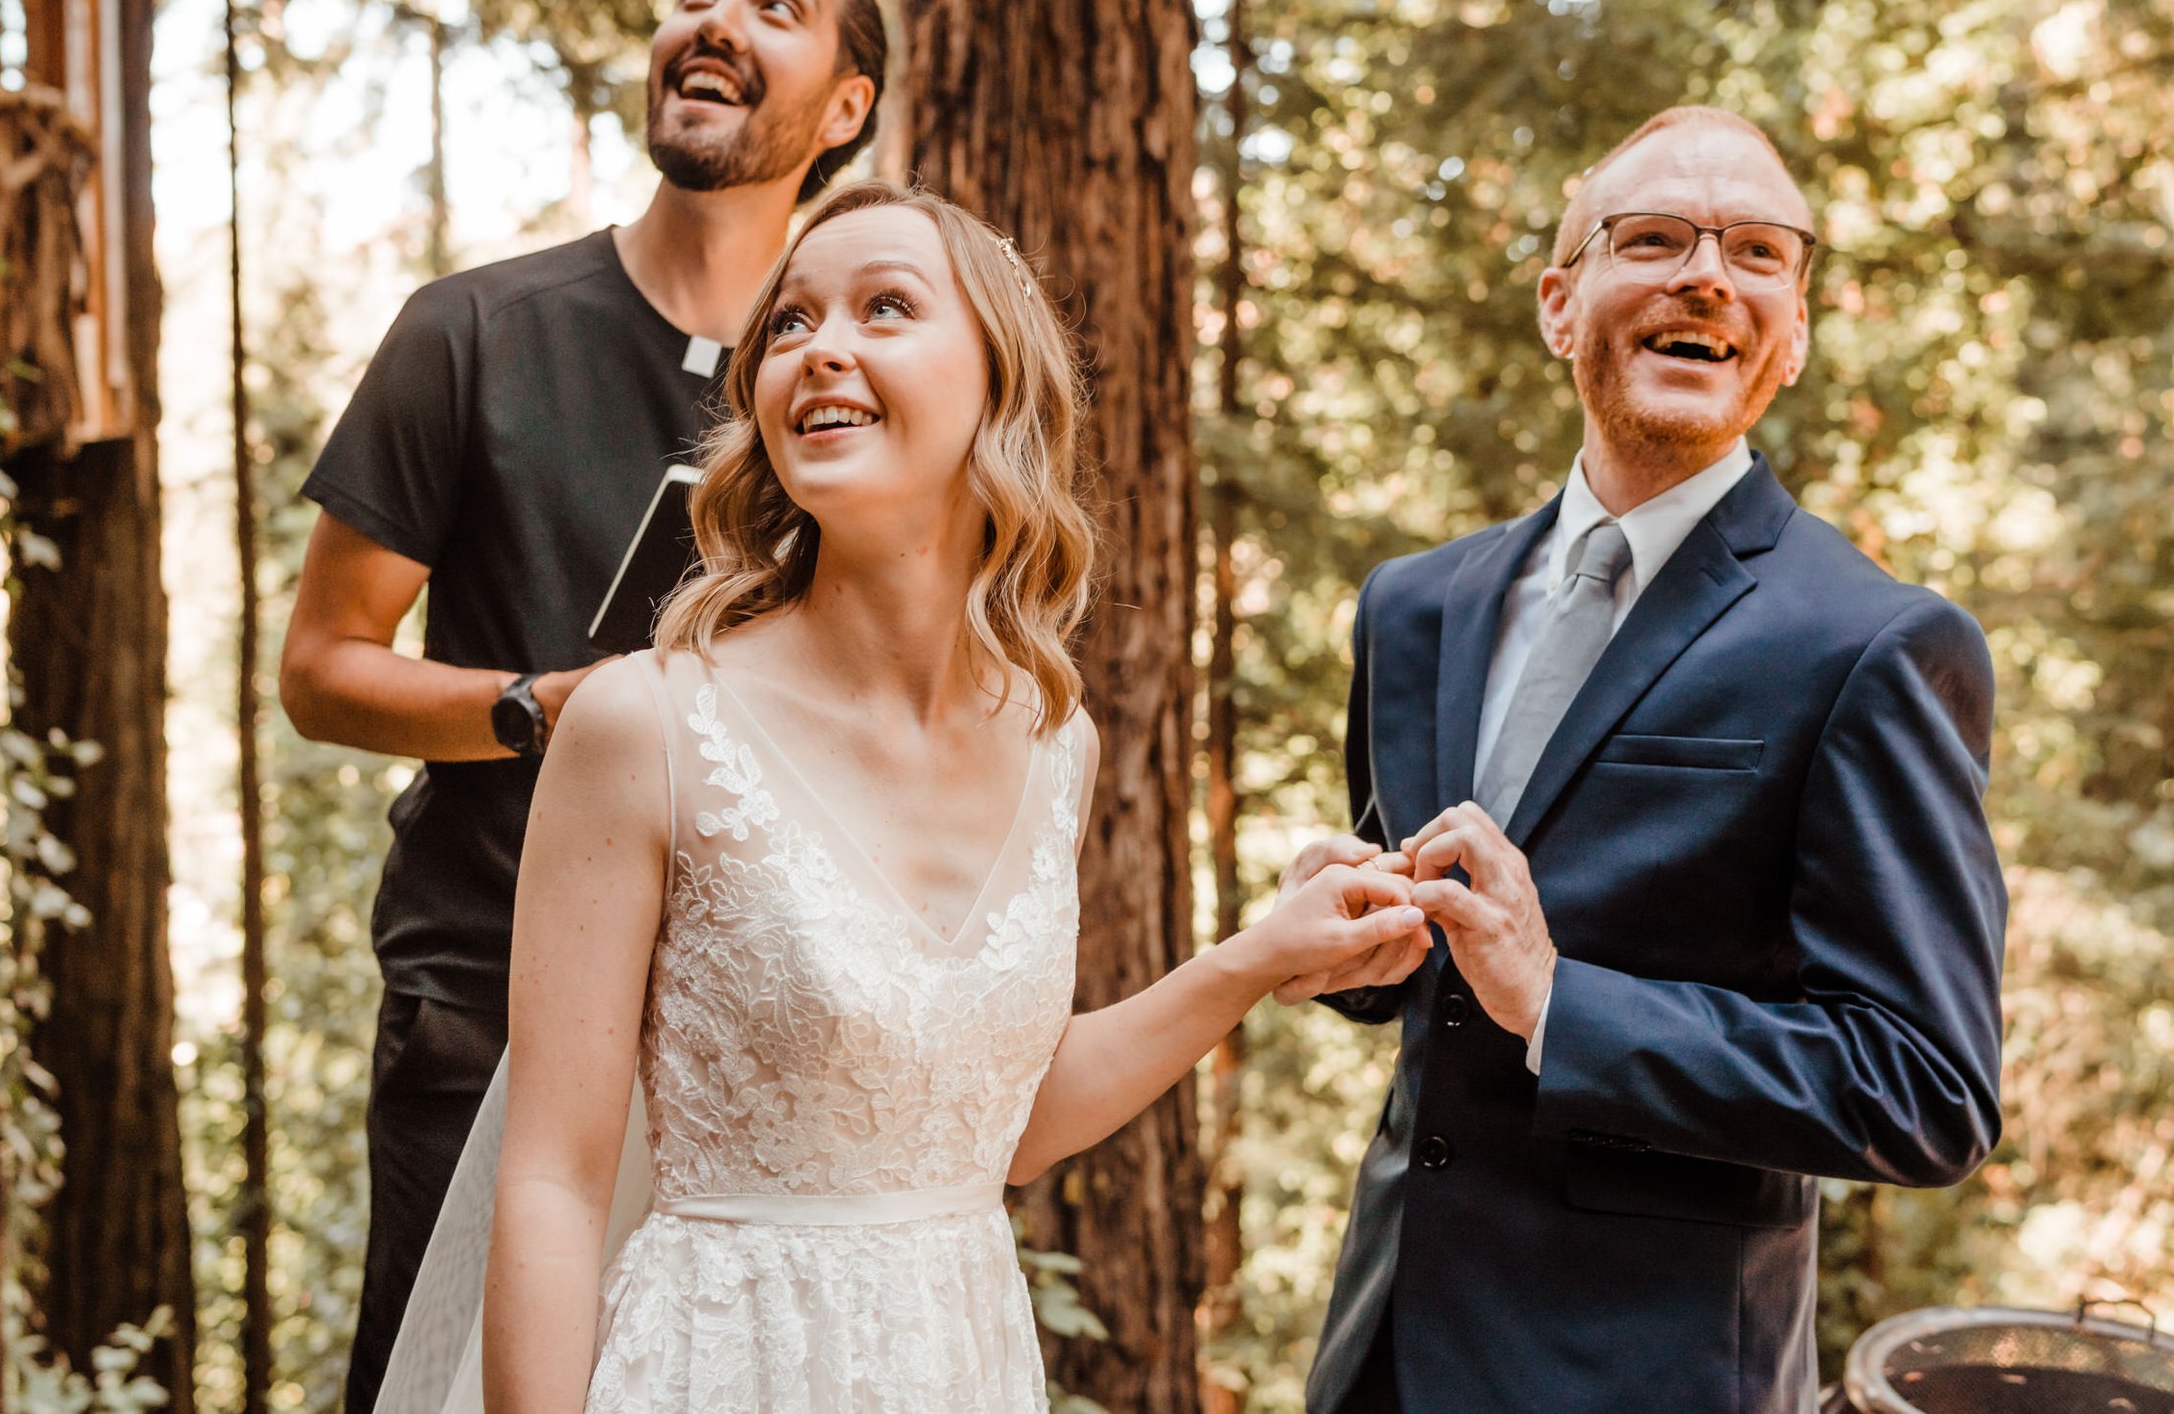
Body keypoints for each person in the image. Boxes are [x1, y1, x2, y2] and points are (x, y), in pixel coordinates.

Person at [366, 181, 1435, 1414]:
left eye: (885, 307)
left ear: (998, 380)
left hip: (962, 1362)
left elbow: (999, 1125)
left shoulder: (1054, 739)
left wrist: (1251, 959)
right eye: (789, 324)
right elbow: (552, 1179)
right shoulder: (644, 723)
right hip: (719, 1368)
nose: (821, 346)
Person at [1280, 106, 2009, 1414]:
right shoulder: (1412, 605)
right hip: (1383, 1351)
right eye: (1656, 236)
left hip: (1649, 1373)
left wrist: (1564, 997)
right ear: (1563, 304)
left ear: (1789, 335)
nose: (1707, 274)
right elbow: (1427, 991)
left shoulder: (1874, 641)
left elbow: (1926, 1085)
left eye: (1758, 253)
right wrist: (1345, 948)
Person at [279, 0, 887, 1414]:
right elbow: (320, 669)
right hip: (485, 995)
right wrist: (533, 709)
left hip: (761, 1022)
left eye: (775, 6)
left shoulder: (860, 381)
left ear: (850, 107)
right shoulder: (469, 332)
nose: (716, 21)